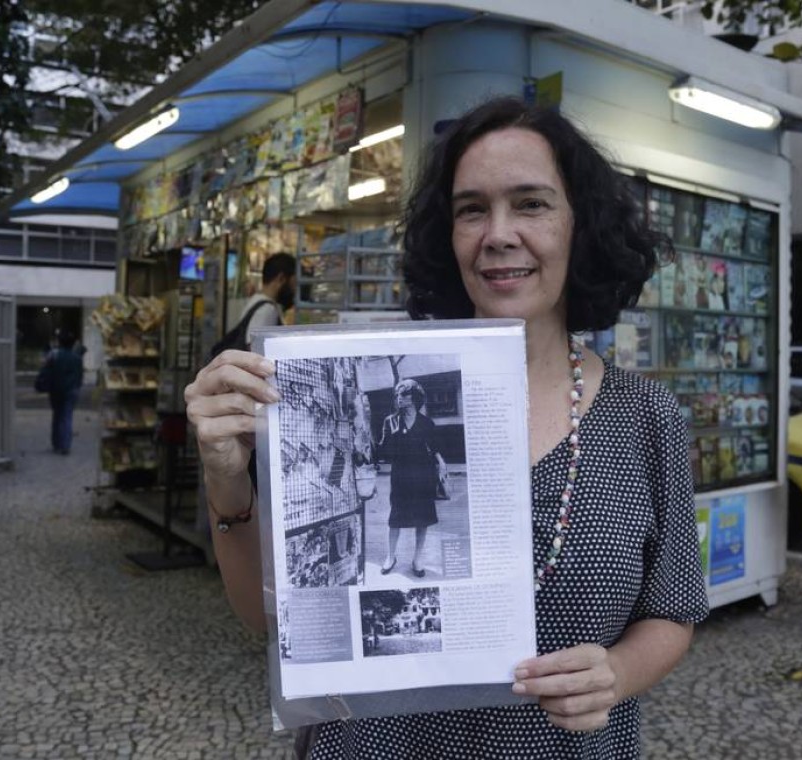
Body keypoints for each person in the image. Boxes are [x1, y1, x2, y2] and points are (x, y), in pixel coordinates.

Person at [185, 95, 710, 758]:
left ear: (581, 225)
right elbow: (267, 616)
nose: (497, 233)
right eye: (471, 209)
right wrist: (228, 483)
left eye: (531, 203)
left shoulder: (645, 419)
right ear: (448, 233)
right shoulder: (351, 373)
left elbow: (672, 612)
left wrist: (617, 674)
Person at [375, 378, 445, 578]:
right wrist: (391, 438)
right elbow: (383, 450)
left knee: (422, 519)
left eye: (403, 395)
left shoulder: (426, 423)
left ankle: (417, 558)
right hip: (401, 476)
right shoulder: (391, 421)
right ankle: (391, 556)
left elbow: (435, 447)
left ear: (414, 398)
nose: (399, 398)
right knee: (395, 519)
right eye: (397, 395)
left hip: (423, 476)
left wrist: (442, 463)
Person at [240, 252, 298, 344]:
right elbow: (254, 347)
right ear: (281, 279)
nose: (295, 290)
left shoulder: (257, 300)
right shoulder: (267, 310)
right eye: (294, 283)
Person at [44, 329, 84, 454]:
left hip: (56, 389)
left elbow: (46, 369)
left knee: (57, 415)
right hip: (71, 390)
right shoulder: (77, 358)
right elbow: (79, 376)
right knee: (67, 417)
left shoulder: (54, 354)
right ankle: (65, 445)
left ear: (60, 342)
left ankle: (56, 443)